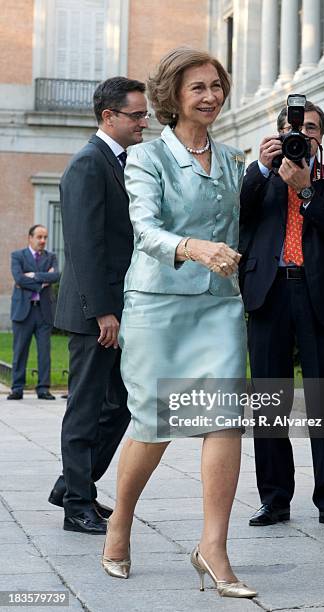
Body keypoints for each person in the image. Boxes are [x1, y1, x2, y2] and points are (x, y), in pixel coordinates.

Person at [101, 47, 257, 598]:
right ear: (173, 96)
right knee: (154, 422)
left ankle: (213, 547)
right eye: (199, 87)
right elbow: (144, 229)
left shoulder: (235, 160)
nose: (212, 95)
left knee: (224, 419)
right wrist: (193, 247)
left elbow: (255, 222)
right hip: (159, 303)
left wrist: (296, 180)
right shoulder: (147, 158)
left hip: (218, 304)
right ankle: (120, 520)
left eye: (217, 85)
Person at [239, 101, 324, 529]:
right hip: (269, 295)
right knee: (270, 402)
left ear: (321, 136)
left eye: (309, 128)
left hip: (318, 298)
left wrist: (306, 190)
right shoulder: (259, 179)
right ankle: (274, 499)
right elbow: (237, 217)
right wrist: (261, 167)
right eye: (292, 128)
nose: (301, 135)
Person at [48, 77, 148, 534]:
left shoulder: (119, 162)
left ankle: (74, 484)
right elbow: (84, 246)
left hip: (117, 309)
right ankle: (77, 506)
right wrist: (102, 311)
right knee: (87, 408)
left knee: (122, 403)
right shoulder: (89, 163)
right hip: (96, 314)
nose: (144, 122)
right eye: (136, 115)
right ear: (109, 117)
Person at [8, 225, 60, 400]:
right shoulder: (17, 256)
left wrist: (32, 276)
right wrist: (43, 279)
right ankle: (17, 388)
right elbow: (18, 278)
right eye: (39, 237)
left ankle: (43, 388)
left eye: (45, 237)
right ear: (30, 238)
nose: (43, 241)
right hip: (23, 311)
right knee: (20, 351)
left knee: (44, 352)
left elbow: (56, 276)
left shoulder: (51, 257)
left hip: (44, 311)